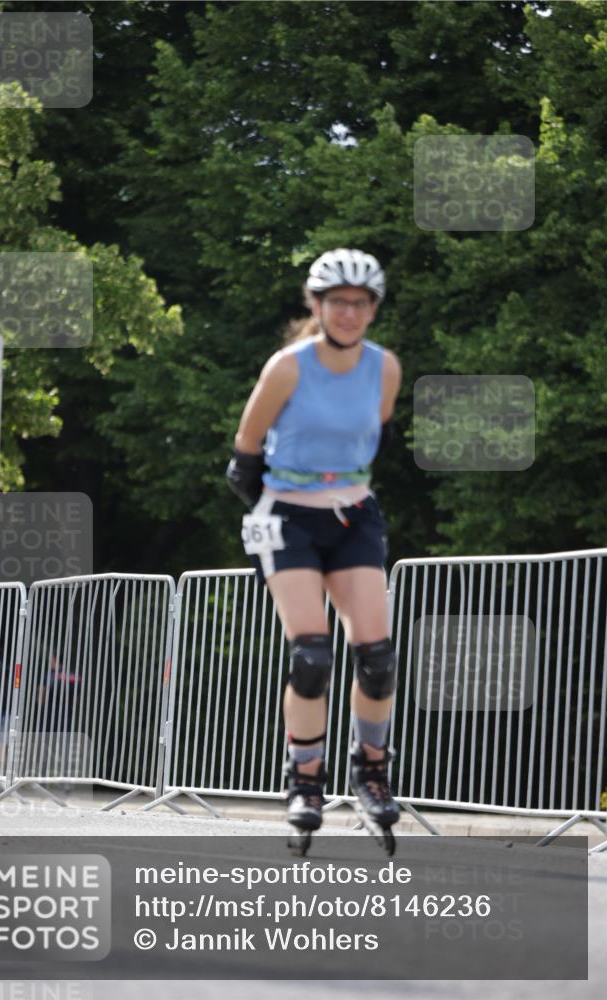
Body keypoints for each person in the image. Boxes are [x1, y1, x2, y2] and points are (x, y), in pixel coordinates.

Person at [226, 248, 402, 834]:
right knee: (311, 655)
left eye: (360, 302)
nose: (349, 312)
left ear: (373, 309)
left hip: (353, 515)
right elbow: (243, 459)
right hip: (287, 519)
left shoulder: (386, 369)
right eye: (337, 302)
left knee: (376, 659)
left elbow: (370, 438)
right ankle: (305, 781)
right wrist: (276, 531)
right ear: (317, 305)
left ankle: (370, 770)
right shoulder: (289, 366)